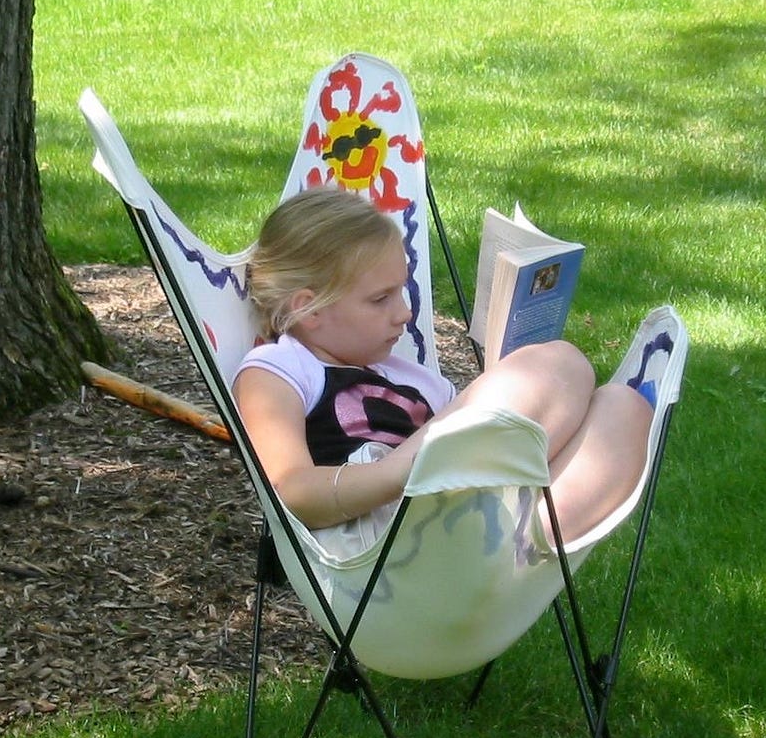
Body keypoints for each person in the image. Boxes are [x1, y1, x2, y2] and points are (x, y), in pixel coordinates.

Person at [233, 187, 653, 549]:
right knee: (559, 361)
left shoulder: (409, 379)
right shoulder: (279, 368)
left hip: (458, 525)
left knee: (622, 406)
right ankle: (496, 547)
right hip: (378, 552)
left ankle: (521, 548)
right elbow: (291, 490)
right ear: (309, 309)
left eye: (401, 291)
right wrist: (400, 471)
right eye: (381, 299)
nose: (404, 313)